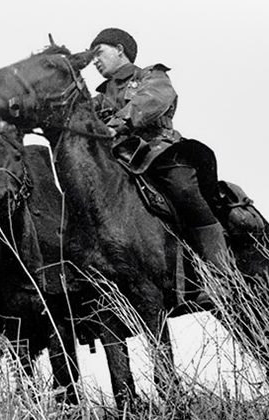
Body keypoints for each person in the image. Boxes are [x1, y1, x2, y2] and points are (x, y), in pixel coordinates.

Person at [90, 28, 229, 303]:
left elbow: (153, 100)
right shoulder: (99, 98)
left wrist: (116, 124)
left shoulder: (151, 76)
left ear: (119, 49)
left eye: (99, 53)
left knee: (183, 189)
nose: (94, 61)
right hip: (119, 160)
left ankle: (220, 276)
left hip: (158, 152)